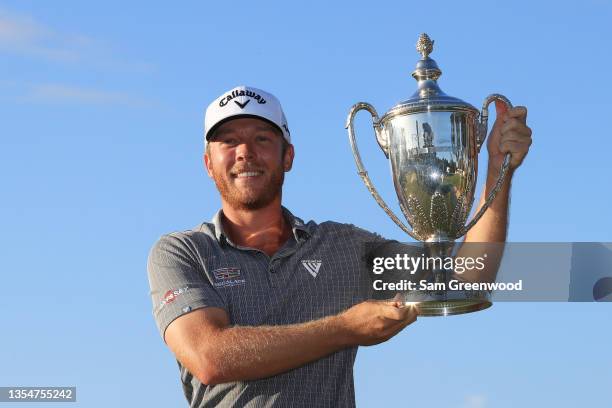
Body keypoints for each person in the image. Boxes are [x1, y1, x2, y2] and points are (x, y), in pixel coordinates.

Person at [147, 85, 532, 407]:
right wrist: (345, 328)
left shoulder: (341, 248)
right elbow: (209, 357)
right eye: (228, 142)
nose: (245, 152)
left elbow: (467, 280)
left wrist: (498, 173)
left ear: (288, 157)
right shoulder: (183, 251)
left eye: (262, 139)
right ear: (208, 163)